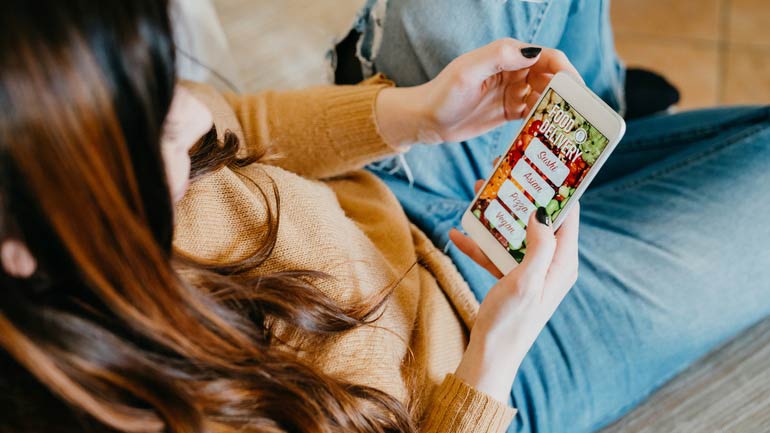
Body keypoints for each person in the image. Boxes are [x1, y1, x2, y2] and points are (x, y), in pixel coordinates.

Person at [0, 3, 767, 433]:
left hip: (393, 191)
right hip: (479, 353)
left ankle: (607, 116)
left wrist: (413, 115)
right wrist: (494, 357)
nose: (186, 123)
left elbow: (231, 119)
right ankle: (615, 141)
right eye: (156, 135)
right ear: (22, 246)